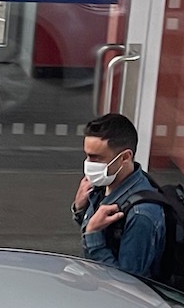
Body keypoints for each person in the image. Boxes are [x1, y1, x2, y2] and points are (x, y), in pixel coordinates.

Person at [71, 112, 166, 281]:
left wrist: (93, 233)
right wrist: (80, 209)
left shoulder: (142, 214)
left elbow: (128, 283)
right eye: (87, 155)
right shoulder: (103, 185)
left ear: (124, 157)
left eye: (96, 158)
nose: (89, 164)